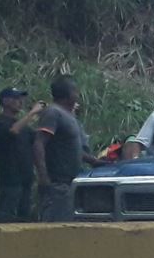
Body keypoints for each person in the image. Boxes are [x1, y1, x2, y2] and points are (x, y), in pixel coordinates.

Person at [34, 77, 107, 222]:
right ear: (67, 94)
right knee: (55, 224)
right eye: (75, 90)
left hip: (71, 182)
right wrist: (43, 176)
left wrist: (94, 161)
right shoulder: (53, 113)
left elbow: (72, 148)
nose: (78, 94)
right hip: (57, 183)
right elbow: (39, 143)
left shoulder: (69, 116)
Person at [0, 87, 44, 220]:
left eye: (20, 98)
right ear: (5, 101)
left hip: (26, 179)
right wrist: (32, 113)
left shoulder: (24, 127)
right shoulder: (0, 122)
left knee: (24, 217)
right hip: (10, 180)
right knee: (6, 217)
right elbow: (13, 131)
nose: (20, 102)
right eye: (16, 98)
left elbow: (38, 140)